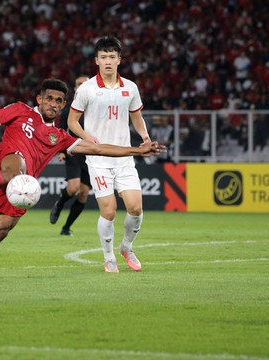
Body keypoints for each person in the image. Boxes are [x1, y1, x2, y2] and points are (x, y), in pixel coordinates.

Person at [0, 78, 164, 294]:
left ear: (63, 105)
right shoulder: (19, 110)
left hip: (21, 187)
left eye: (59, 101)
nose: (53, 104)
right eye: (49, 98)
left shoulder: (60, 137)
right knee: (15, 171)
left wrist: (136, 150)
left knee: (0, 230)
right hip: (7, 162)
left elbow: (98, 148)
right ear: (39, 99)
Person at [67, 36, 150, 273]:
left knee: (135, 208)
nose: (108, 61)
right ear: (96, 60)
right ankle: (108, 257)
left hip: (124, 158)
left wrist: (145, 137)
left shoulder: (130, 88)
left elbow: (136, 116)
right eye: (103, 57)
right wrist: (86, 137)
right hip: (99, 159)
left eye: (112, 57)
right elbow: (73, 121)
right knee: (109, 211)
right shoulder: (87, 89)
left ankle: (127, 247)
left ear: (119, 60)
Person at [49, 75, 91, 236]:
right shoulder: (69, 109)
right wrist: (61, 151)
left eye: (85, 84)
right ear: (75, 88)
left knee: (83, 194)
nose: (82, 86)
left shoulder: (97, 108)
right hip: (74, 151)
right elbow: (60, 131)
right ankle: (59, 204)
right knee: (73, 188)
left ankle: (66, 227)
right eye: (79, 84)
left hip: (91, 155)